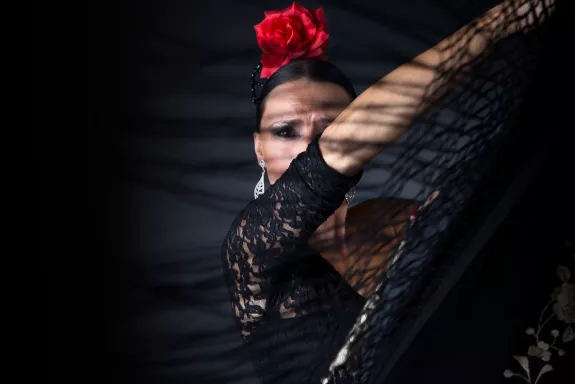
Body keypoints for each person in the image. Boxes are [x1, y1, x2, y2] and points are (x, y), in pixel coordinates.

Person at [221, 1, 554, 383]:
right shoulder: (250, 246)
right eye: (285, 131)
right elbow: (333, 156)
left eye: (330, 128)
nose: (308, 147)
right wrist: (501, 21)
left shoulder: (396, 217)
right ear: (258, 147)